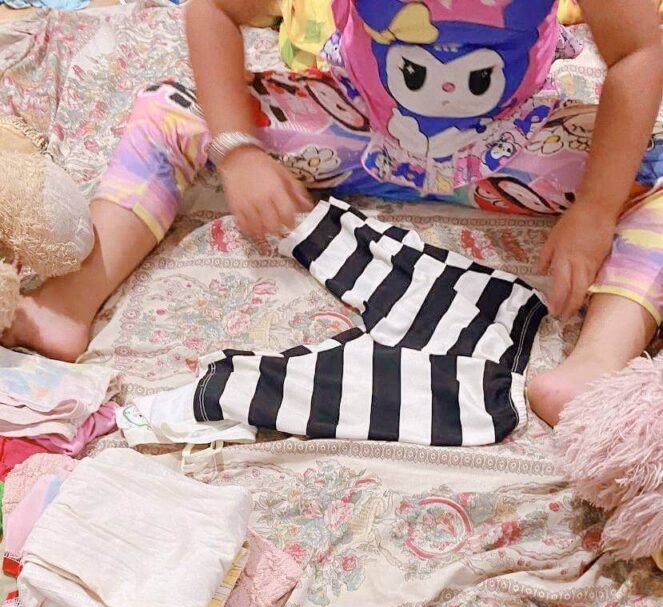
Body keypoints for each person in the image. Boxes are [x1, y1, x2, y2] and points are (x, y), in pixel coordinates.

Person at [2, 0, 661, 426]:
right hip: (357, 135)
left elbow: (640, 51)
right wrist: (237, 152)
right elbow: (214, 8)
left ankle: (593, 365)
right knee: (171, 109)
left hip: (509, 147)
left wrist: (598, 210)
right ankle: (71, 301)